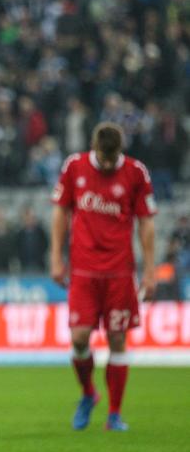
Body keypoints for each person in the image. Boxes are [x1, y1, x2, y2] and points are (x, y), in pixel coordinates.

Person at [50, 122, 156, 432]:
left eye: (113, 159)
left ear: (120, 150)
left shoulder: (136, 172)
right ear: (94, 148)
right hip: (83, 270)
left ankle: (114, 413)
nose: (108, 165)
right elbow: (60, 211)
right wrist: (56, 258)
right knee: (79, 338)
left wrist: (150, 272)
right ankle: (88, 394)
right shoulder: (75, 166)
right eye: (104, 159)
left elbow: (146, 223)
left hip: (120, 271)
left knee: (118, 338)